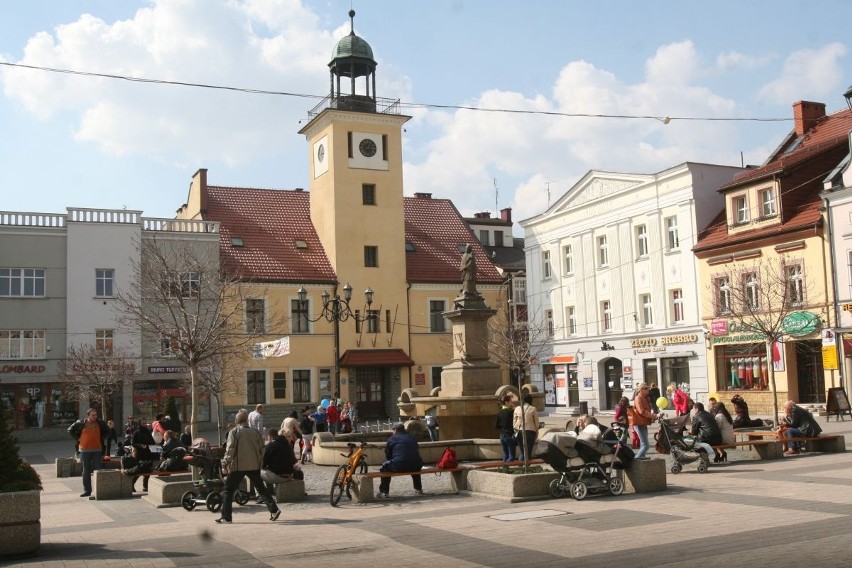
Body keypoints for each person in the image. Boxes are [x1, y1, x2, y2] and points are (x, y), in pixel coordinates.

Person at [216, 410, 281, 524]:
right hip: (254, 465)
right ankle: (274, 510)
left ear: (236, 421)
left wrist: (224, 463)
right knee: (261, 488)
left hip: (238, 466)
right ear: (247, 420)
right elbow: (262, 448)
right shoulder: (255, 431)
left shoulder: (234, 432)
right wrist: (260, 463)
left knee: (228, 490)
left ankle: (226, 517)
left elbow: (230, 450)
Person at [67, 408, 108, 497]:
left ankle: (99, 490)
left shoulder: (100, 423)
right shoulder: (81, 423)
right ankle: (87, 490)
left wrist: (102, 439)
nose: (95, 416)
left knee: (98, 470)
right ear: (88, 415)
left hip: (97, 449)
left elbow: (108, 431)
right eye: (93, 415)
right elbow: (70, 429)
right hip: (84, 450)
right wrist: (77, 438)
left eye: (96, 415)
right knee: (86, 471)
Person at [378, 423, 424, 499]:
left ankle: (384, 492)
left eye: (393, 429)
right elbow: (416, 449)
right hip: (417, 465)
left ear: (395, 430)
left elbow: (388, 454)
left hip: (399, 465)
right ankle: (418, 489)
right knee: (412, 461)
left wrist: (392, 460)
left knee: (385, 467)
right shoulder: (412, 437)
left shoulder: (392, 438)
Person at [259, 428, 298, 502]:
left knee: (256, 473)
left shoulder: (270, 446)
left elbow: (263, 464)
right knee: (268, 471)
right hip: (289, 475)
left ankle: (261, 495)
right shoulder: (288, 445)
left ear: (269, 436)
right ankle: (270, 492)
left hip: (277, 476)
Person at [629, 383, 659, 459]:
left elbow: (647, 410)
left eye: (647, 388)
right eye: (646, 388)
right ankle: (636, 460)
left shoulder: (645, 398)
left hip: (643, 423)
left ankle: (642, 458)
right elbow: (641, 411)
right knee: (646, 445)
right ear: (641, 390)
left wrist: (655, 416)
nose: (648, 390)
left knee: (643, 444)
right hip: (639, 423)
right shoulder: (638, 398)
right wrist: (654, 416)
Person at [131, 418, 157, 492]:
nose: (144, 424)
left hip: (148, 453)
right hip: (140, 454)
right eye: (143, 423)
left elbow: (152, 441)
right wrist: (140, 445)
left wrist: (153, 446)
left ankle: (145, 486)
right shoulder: (136, 432)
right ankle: (132, 484)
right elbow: (133, 443)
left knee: (147, 470)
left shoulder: (148, 431)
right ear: (139, 424)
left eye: (145, 423)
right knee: (139, 470)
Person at [513, 393, 540, 461]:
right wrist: (537, 431)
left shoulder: (517, 408)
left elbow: (514, 421)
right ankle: (526, 466)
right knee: (528, 451)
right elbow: (536, 422)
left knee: (523, 451)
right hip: (530, 432)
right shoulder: (533, 409)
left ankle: (521, 465)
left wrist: (515, 429)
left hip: (519, 431)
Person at [495, 396, 516, 464]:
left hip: (502, 436)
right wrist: (514, 408)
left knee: (506, 455)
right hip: (509, 435)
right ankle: (505, 466)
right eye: (511, 401)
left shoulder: (499, 412)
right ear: (506, 402)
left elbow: (496, 426)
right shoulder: (511, 412)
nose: (512, 403)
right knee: (511, 456)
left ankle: (503, 468)